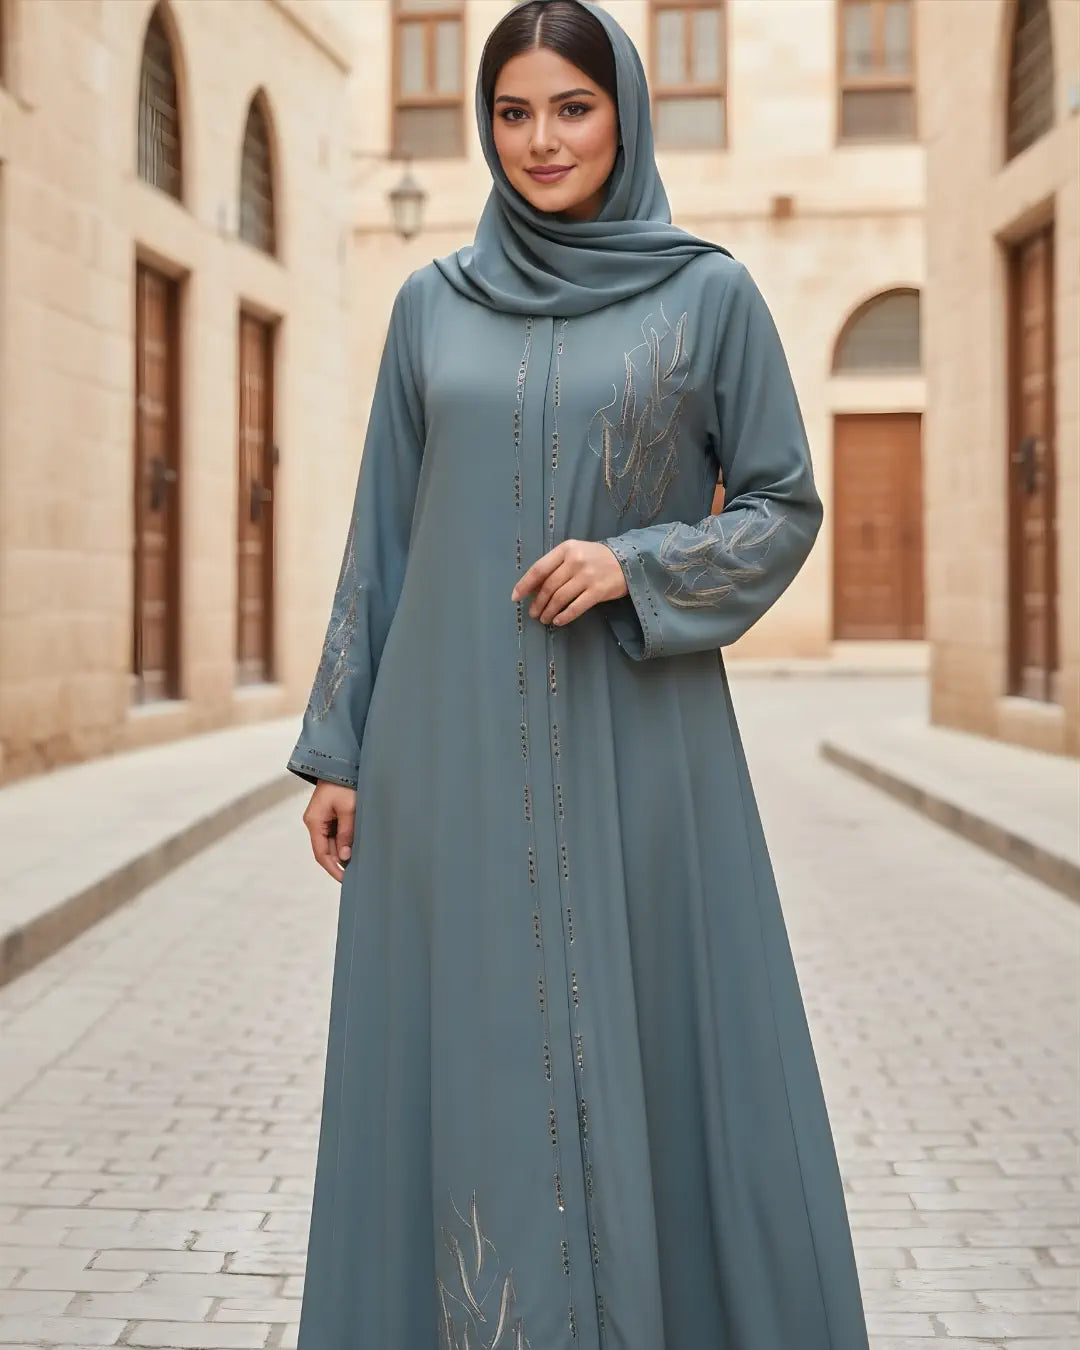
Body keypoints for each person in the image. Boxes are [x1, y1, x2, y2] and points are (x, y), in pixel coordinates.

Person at [287, 2, 870, 1346]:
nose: (539, 139)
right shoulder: (429, 305)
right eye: (511, 111)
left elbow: (780, 504)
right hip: (449, 755)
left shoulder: (708, 291)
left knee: (651, 1048)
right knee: (477, 1051)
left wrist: (637, 564)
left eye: (571, 107)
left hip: (640, 745)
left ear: (624, 115)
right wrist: (340, 747)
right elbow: (383, 532)